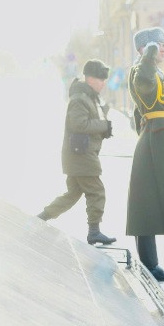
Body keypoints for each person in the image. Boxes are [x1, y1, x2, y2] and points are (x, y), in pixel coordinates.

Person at [126, 27, 164, 282]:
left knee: (158, 199)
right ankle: (150, 265)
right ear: (145, 48)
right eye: (157, 44)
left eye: (162, 44)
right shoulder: (141, 70)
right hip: (154, 139)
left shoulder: (159, 72)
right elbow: (144, 86)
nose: (162, 48)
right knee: (147, 203)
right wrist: (148, 56)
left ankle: (152, 263)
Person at [38, 59, 116, 246]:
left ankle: (41, 217)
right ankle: (94, 231)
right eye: (100, 78)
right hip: (81, 156)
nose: (103, 82)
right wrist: (104, 125)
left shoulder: (90, 98)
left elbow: (89, 123)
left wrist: (104, 123)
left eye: (104, 79)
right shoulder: (80, 98)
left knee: (72, 194)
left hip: (81, 155)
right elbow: (79, 124)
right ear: (89, 78)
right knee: (97, 192)